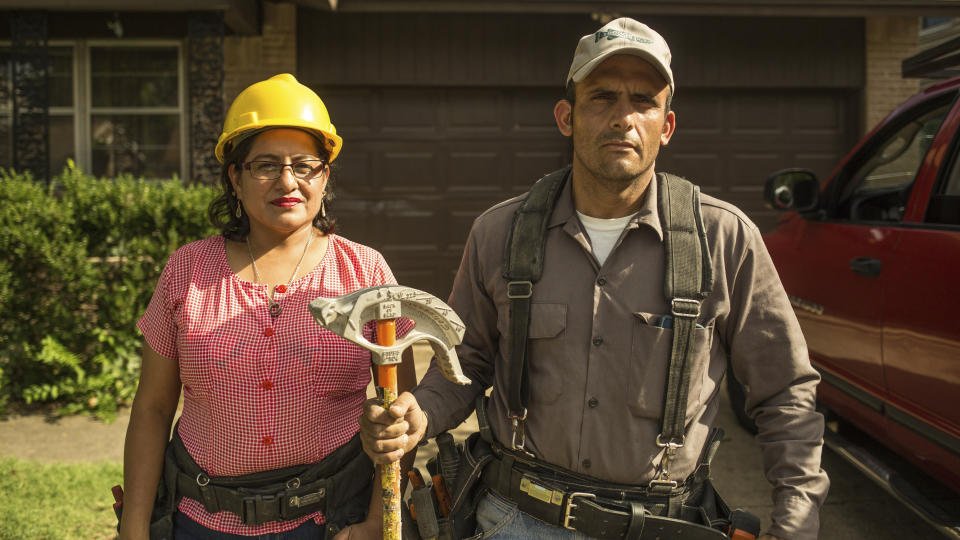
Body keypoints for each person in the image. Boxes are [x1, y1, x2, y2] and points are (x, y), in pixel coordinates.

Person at [359, 18, 828, 540]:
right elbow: (465, 363)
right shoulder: (500, 234)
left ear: (667, 126)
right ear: (567, 117)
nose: (623, 118)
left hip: (662, 526)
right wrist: (418, 413)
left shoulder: (723, 239)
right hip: (515, 522)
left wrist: (796, 524)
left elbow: (786, 393)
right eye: (601, 98)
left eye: (643, 102)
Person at [119, 73, 415, 540]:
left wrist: (375, 523)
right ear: (234, 177)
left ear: (325, 176)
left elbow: (396, 410)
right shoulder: (187, 270)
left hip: (332, 518)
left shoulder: (366, 273)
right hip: (201, 520)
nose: (287, 181)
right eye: (265, 165)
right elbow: (153, 408)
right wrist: (133, 530)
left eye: (304, 165)